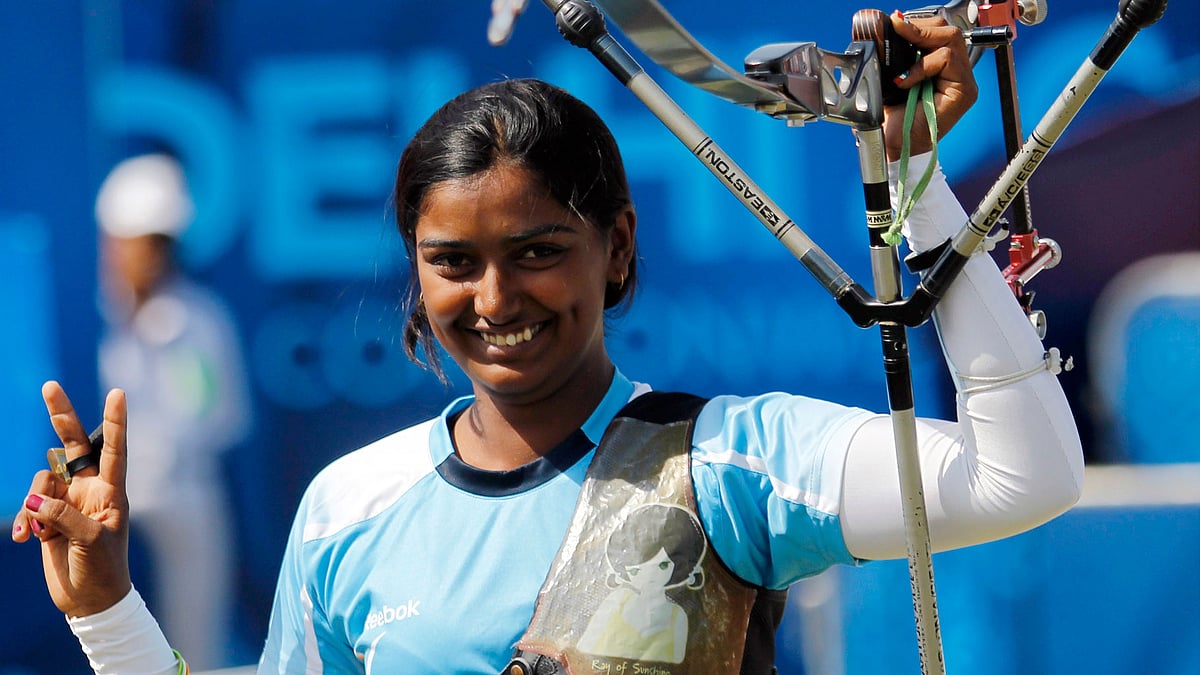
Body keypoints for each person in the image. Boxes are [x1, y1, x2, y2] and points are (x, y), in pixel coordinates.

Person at [12, 14, 1082, 674]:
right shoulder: (350, 506)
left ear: (616, 248)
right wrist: (106, 612)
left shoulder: (728, 463)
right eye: (452, 261)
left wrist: (920, 186)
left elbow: (1021, 479)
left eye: (535, 251)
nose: (493, 297)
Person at [93, 153, 253, 669]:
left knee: (194, 648)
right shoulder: (97, 321)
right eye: (139, 240)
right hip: (108, 514)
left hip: (187, 509)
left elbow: (220, 417)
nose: (147, 256)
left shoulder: (198, 321)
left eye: (160, 242)